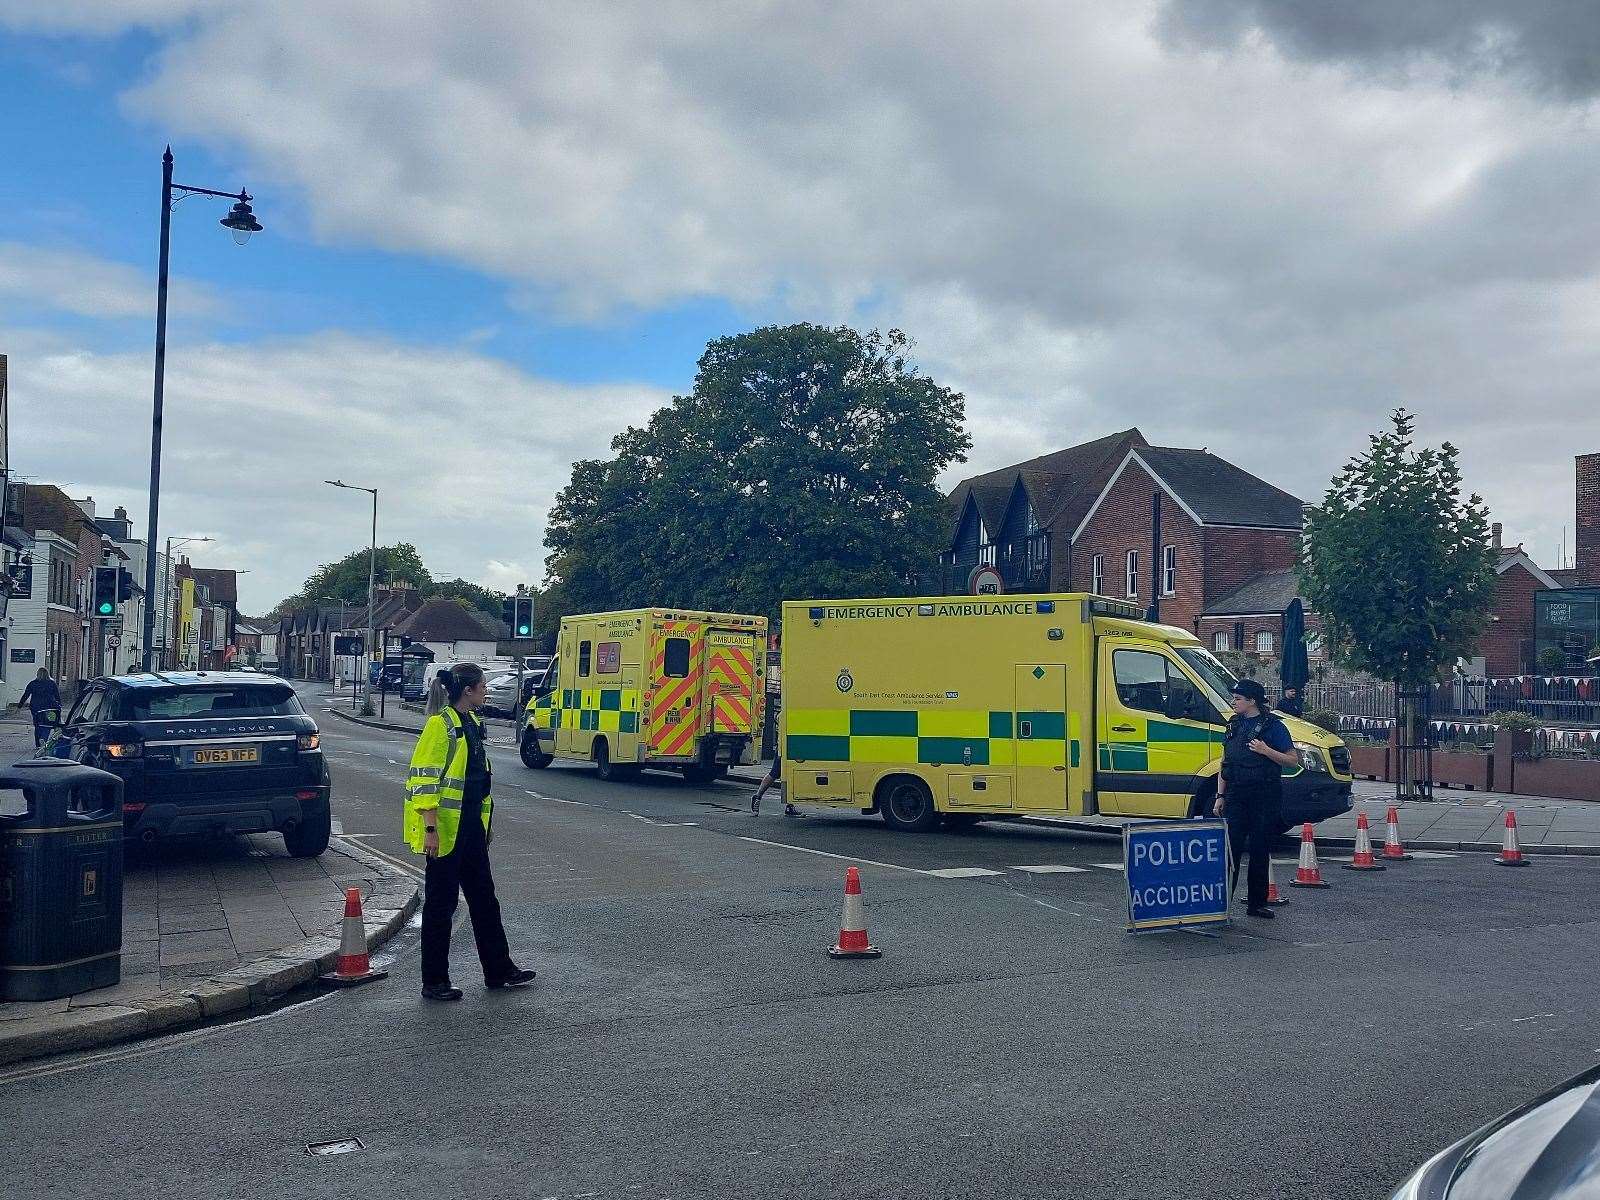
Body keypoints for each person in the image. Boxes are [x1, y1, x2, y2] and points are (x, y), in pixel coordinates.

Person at [405, 663, 536, 1002]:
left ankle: (499, 970)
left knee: (484, 900)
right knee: (441, 905)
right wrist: (431, 829)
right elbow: (424, 781)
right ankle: (434, 981)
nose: (486, 691)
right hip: (446, 830)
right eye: (482, 686)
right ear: (468, 691)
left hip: (471, 828)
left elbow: (478, 781)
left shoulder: (474, 724)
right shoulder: (441, 726)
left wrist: (484, 826)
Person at [1212, 679, 1298, 919]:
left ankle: (1257, 903)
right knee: (1231, 849)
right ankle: (1222, 903)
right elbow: (1225, 762)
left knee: (1260, 848)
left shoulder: (1273, 726)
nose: (1234, 702)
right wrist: (1220, 795)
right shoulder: (1233, 725)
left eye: (1238, 698)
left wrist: (1266, 751)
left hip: (1264, 793)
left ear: (1252, 701)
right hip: (1236, 793)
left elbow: (1292, 760)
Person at [15, 668, 62, 748]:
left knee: (37, 725)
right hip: (49, 707)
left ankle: (38, 744)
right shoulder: (52, 683)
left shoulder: (32, 684)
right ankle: (43, 739)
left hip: (36, 708)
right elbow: (57, 696)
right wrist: (59, 706)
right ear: (47, 674)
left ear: (38, 674)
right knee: (48, 724)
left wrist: (19, 707)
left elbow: (25, 695)